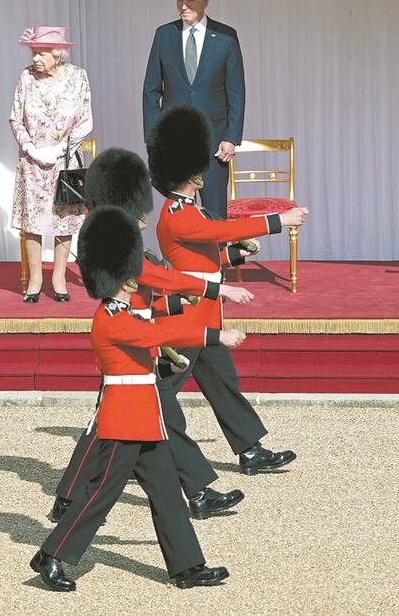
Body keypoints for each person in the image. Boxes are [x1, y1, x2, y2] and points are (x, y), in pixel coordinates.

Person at [30, 205, 235, 591]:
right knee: (99, 498)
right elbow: (154, 336)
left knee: (168, 495)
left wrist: (163, 370)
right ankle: (51, 556)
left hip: (146, 419)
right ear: (119, 279)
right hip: (123, 422)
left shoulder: (124, 311)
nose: (135, 280)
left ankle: (188, 566)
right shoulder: (111, 317)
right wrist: (213, 335)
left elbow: (142, 359)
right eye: (130, 276)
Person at [48, 148, 252, 524]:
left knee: (135, 423)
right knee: (123, 424)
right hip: (128, 342)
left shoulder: (120, 236)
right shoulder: (115, 242)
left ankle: (195, 492)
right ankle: (194, 491)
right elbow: (161, 278)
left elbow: (155, 295)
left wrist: (182, 301)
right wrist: (217, 290)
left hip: (143, 337)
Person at [150, 104, 307, 475]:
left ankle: (250, 450)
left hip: (207, 313)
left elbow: (209, 250)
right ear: (186, 174)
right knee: (162, 391)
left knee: (223, 384)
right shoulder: (178, 214)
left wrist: (235, 255)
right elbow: (220, 233)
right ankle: (133, 451)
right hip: (188, 316)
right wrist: (277, 221)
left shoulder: (192, 210)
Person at [142, 0, 244, 219]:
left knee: (215, 212)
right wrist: (154, 137)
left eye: (190, 0)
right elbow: (151, 89)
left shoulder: (226, 37)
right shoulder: (164, 34)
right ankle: (180, 259)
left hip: (214, 141)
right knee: (179, 215)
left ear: (205, 1)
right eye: (179, 0)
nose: (183, 6)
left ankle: (217, 258)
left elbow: (236, 91)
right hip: (174, 140)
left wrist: (231, 138)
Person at [10, 26, 92, 302]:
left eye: (41, 53)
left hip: (65, 160)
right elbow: (15, 118)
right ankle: (35, 279)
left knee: (64, 219)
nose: (35, 58)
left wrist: (59, 149)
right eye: (33, 52)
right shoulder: (26, 77)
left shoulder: (78, 77)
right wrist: (32, 148)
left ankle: (58, 278)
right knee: (31, 222)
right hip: (32, 162)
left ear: (58, 54)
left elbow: (86, 121)